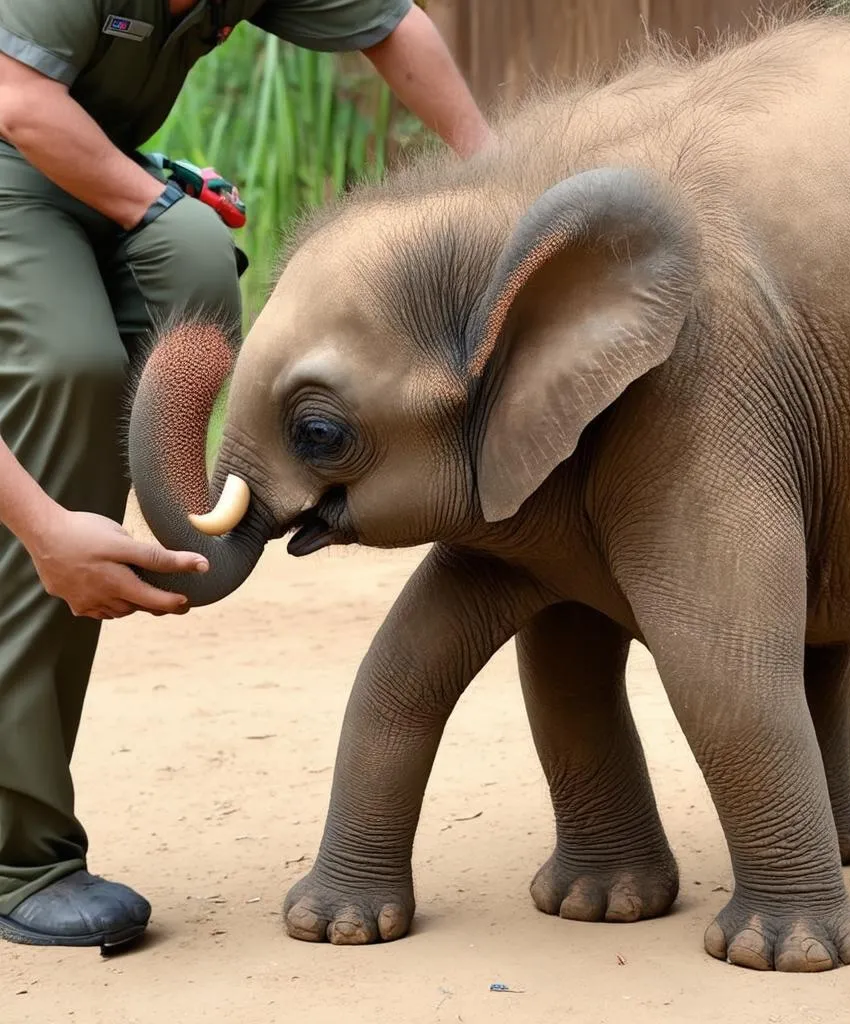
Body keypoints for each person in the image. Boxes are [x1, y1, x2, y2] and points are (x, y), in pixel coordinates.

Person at [0, 0, 491, 951]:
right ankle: (21, 855)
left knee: (193, 252)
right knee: (68, 370)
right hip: (12, 140)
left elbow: (392, 23)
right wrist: (43, 528)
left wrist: (496, 170)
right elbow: (18, 101)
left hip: (65, 154)